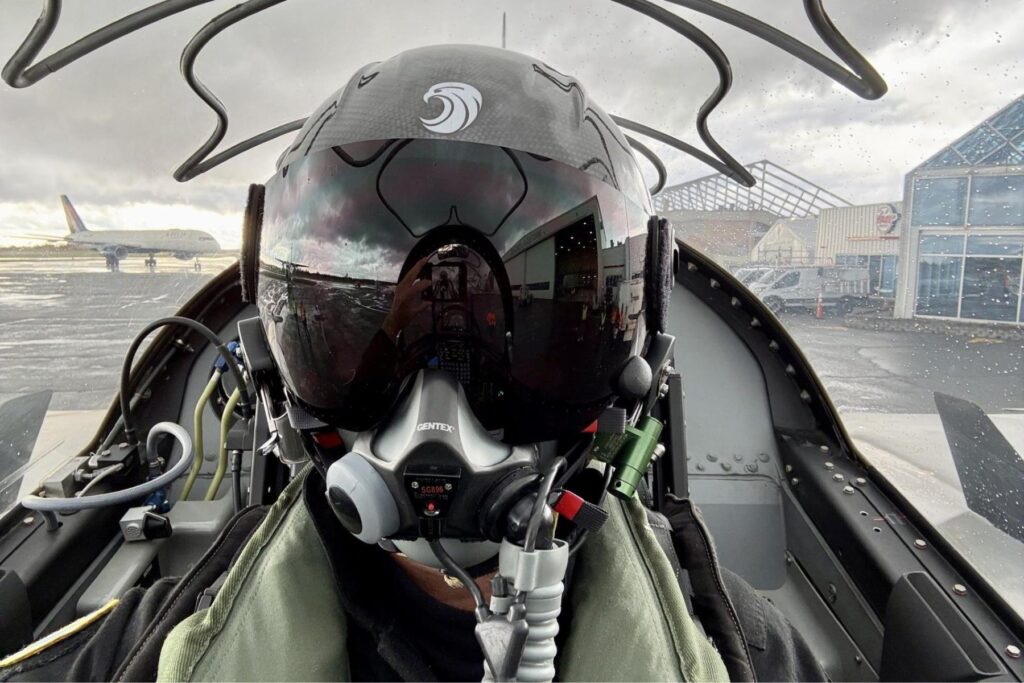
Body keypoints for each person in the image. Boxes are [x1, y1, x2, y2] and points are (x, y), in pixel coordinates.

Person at [0, 45, 824, 683]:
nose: (440, 408)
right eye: (380, 326)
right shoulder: (158, 648)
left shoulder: (748, 656)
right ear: (274, 363)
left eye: (523, 330)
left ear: (632, 375)